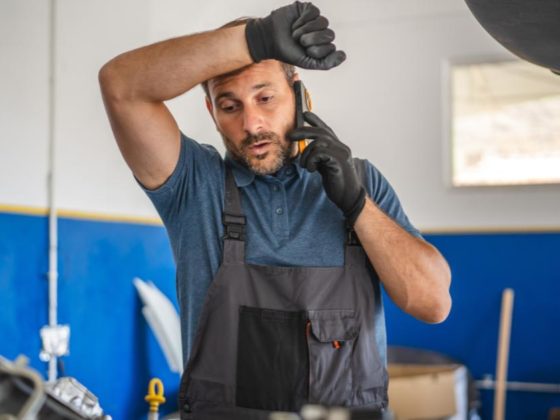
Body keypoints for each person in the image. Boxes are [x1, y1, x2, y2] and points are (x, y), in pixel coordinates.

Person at [99, 2, 452, 419]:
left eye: (265, 98)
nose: (252, 124)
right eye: (230, 106)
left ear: (300, 95)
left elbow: (432, 304)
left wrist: (356, 204)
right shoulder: (197, 188)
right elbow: (121, 85)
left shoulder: (362, 182)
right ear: (212, 113)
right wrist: (256, 39)